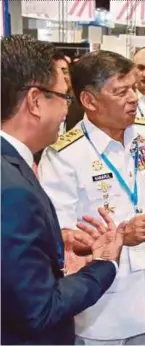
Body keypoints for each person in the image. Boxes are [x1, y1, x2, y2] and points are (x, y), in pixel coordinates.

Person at [38, 50, 145, 345]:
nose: (134, 97)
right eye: (120, 91)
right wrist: (121, 235)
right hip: (101, 310)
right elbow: (60, 237)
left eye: (133, 88)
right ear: (89, 101)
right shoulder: (63, 156)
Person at [1, 35, 124, 345]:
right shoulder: (13, 189)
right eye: (63, 98)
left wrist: (54, 240)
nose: (66, 112)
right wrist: (104, 264)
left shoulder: (13, 167)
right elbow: (40, 308)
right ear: (35, 101)